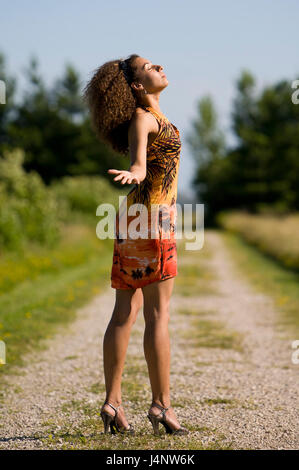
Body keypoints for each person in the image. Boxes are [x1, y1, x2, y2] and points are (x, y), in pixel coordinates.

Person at [83, 55, 188, 436]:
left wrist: (138, 174)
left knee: (124, 312)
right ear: (137, 87)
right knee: (157, 316)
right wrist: (135, 172)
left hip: (135, 220)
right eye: (148, 65)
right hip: (153, 221)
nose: (158, 65)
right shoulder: (145, 119)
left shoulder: (152, 117)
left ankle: (113, 402)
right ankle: (161, 405)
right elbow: (140, 164)